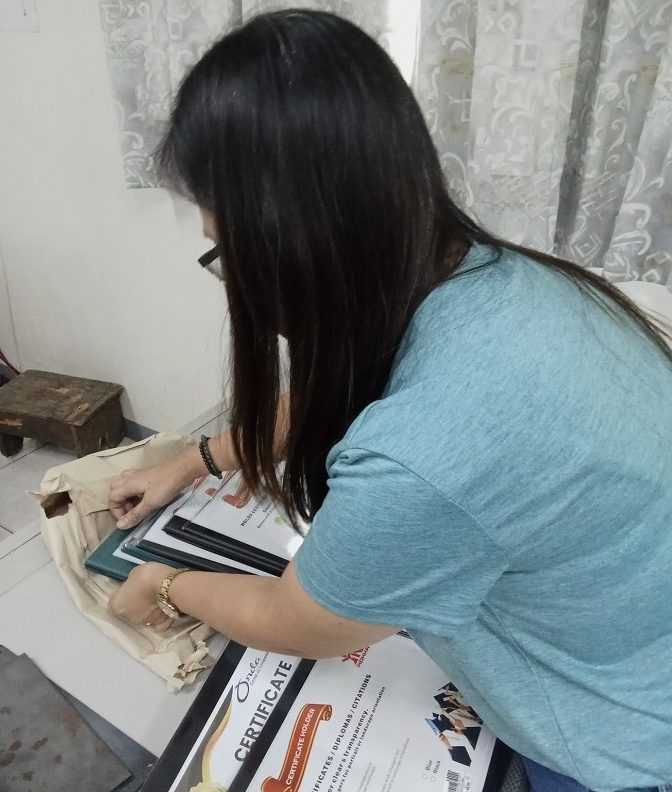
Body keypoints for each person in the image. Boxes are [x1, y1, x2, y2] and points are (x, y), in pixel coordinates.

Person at [107, 10, 672, 792]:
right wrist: (195, 459)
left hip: (623, 742)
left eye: (225, 252)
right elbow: (352, 380)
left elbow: (300, 621)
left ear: (290, 245)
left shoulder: (424, 453)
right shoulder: (491, 278)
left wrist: (164, 584)